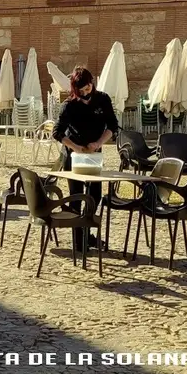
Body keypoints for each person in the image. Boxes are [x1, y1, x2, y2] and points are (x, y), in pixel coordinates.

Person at [52, 66, 119, 252]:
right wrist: (75, 147)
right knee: (76, 198)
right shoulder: (69, 105)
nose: (84, 93)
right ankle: (79, 241)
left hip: (94, 155)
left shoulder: (103, 100)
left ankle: (85, 230)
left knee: (94, 195)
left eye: (87, 89)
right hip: (74, 156)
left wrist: (97, 143)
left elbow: (113, 125)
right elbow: (57, 132)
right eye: (80, 91)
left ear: (92, 84)